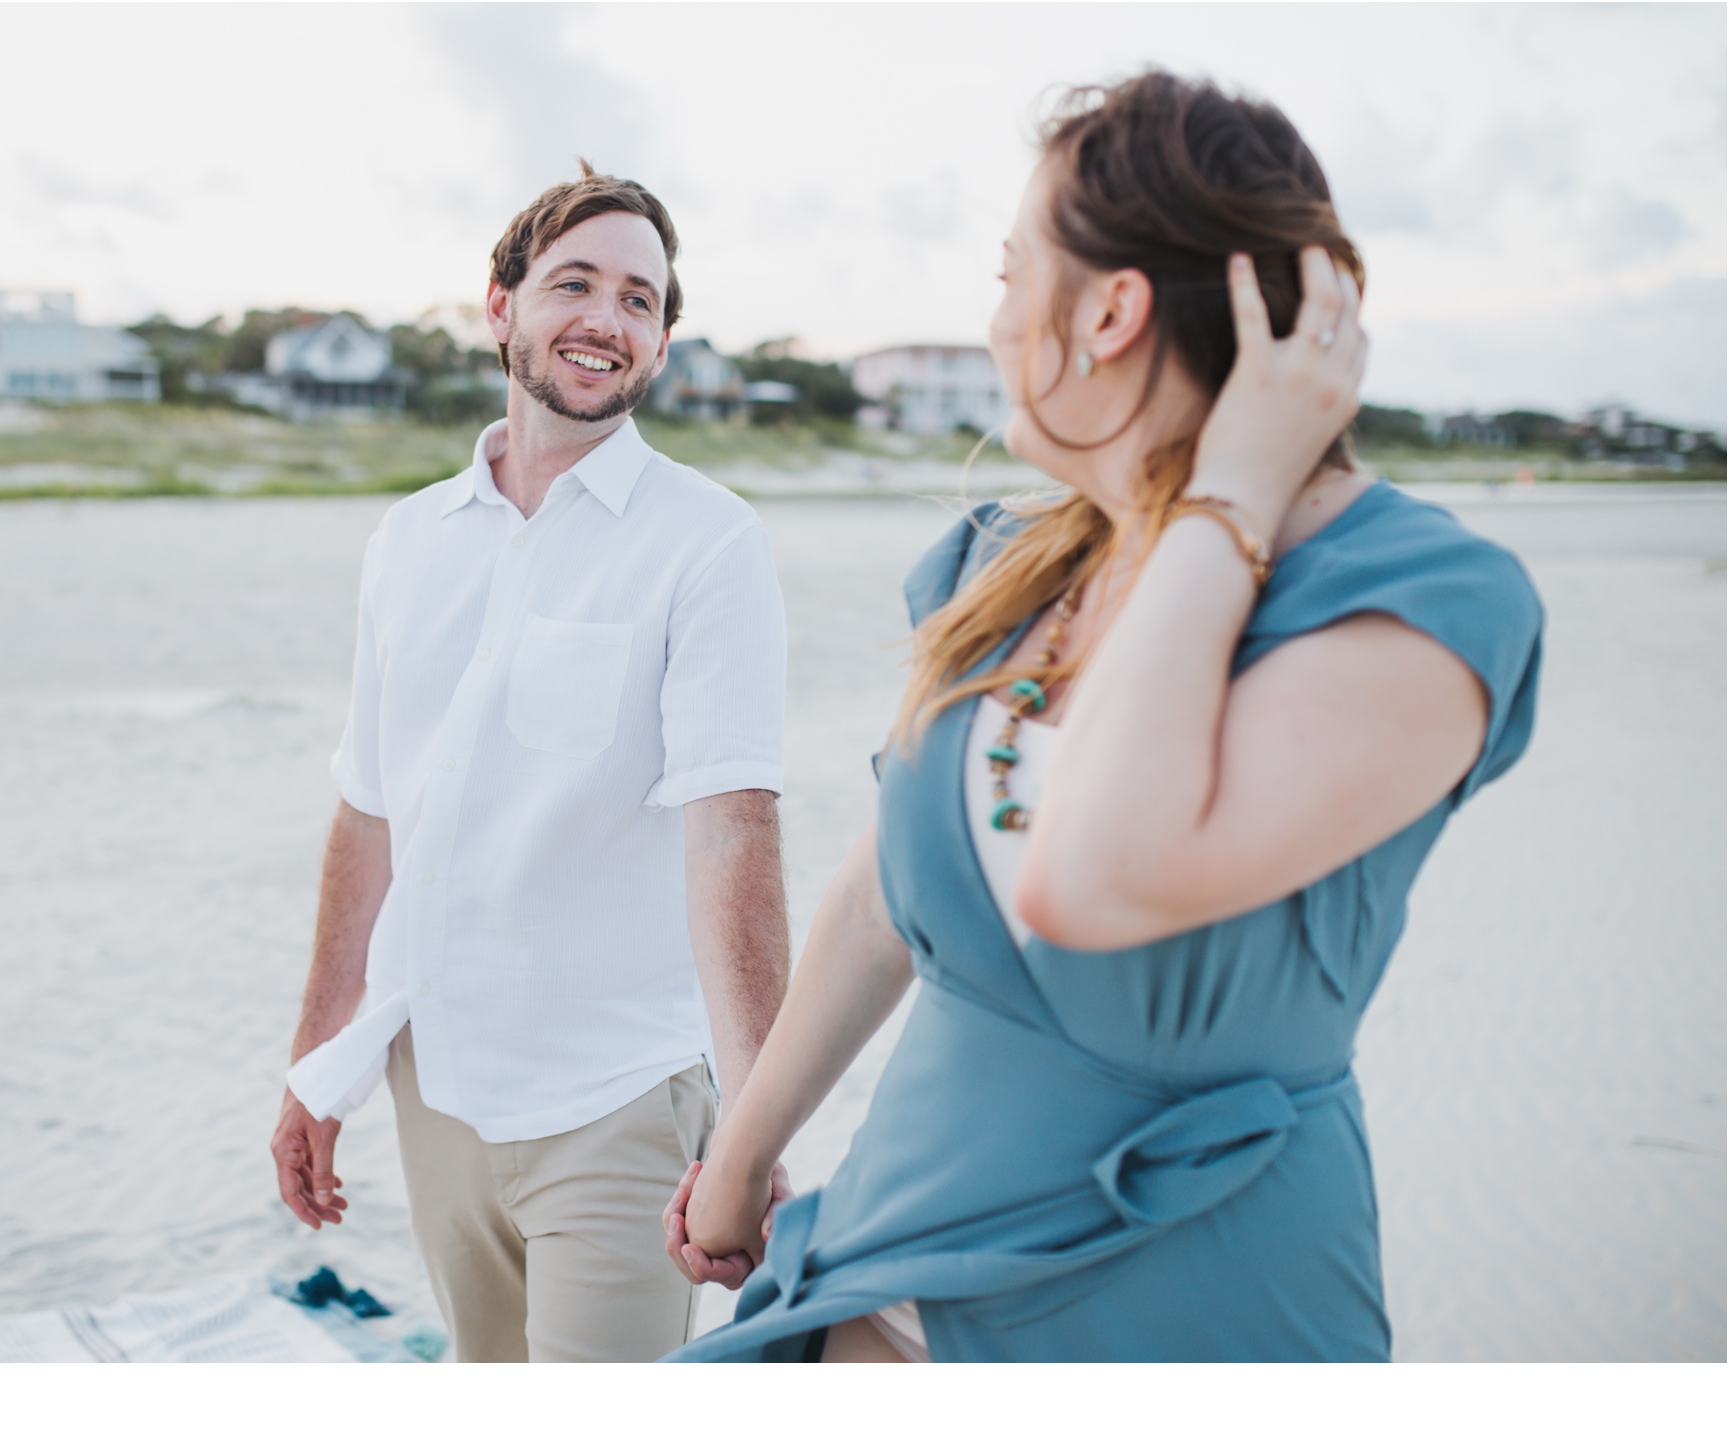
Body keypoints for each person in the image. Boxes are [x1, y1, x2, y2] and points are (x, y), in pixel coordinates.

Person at [662, 71, 1544, 1362]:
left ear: (1112, 311)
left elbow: (1094, 875)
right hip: (888, 1253)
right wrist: (744, 1152)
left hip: (1185, 1288)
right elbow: (886, 889)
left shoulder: (1421, 604)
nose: (999, 321)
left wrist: (1229, 496)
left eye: (1014, 276)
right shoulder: (1009, 564)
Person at [271, 163, 793, 1363]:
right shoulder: (407, 541)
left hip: (616, 1102)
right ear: (499, 306)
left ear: (660, 342)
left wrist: (753, 1128)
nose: (606, 319)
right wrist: (316, 1063)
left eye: (639, 300)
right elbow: (367, 816)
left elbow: (734, 834)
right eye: (574, 283)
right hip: (434, 1085)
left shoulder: (706, 543)